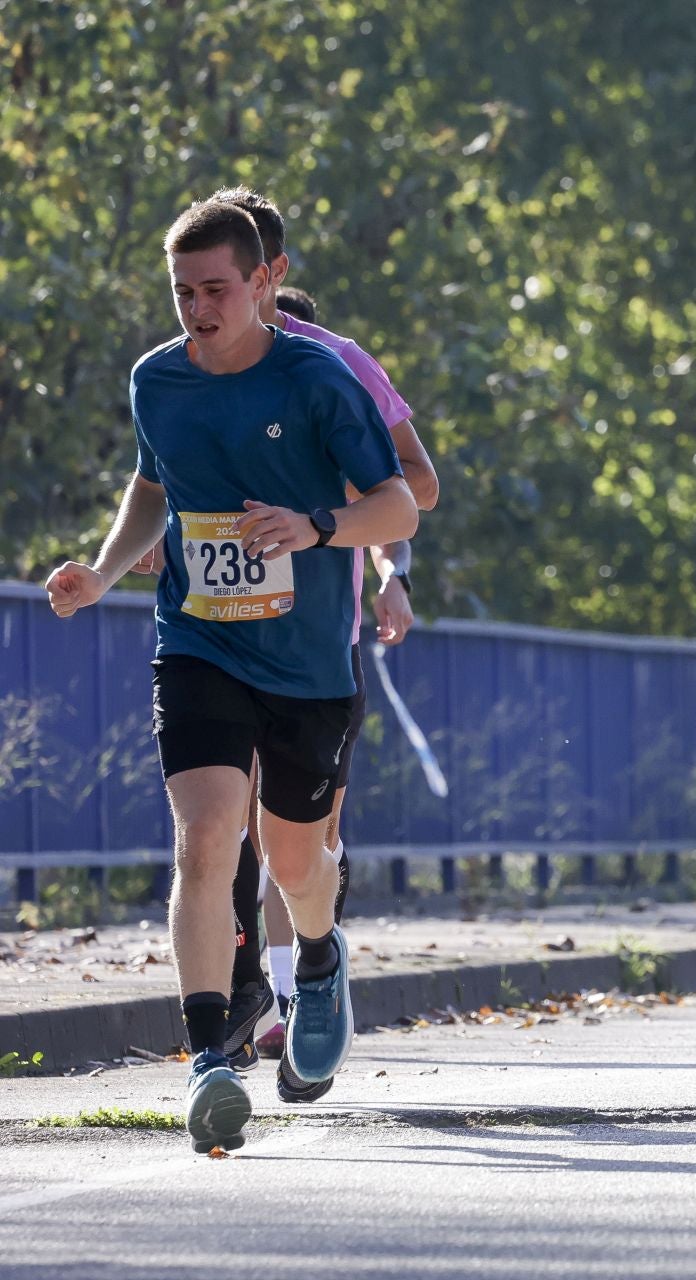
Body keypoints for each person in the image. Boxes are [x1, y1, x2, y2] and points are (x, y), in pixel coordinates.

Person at [45, 198, 417, 1153]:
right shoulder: (156, 380)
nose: (197, 309)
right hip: (199, 642)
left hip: (306, 662)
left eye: (215, 289)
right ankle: (210, 1057)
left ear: (263, 283)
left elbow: (400, 505)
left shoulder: (319, 379)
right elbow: (152, 485)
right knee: (207, 838)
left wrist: (318, 527)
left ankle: (322, 956)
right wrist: (105, 567)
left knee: (296, 865)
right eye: (182, 292)